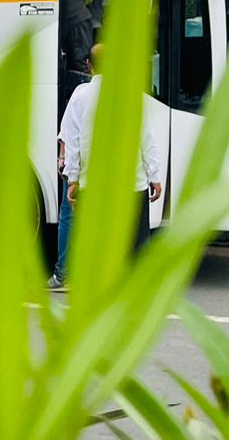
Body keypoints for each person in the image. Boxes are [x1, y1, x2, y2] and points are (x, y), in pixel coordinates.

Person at [52, 44, 165, 288]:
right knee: (133, 244)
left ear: (88, 66)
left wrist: (72, 179)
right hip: (132, 183)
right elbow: (147, 139)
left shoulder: (81, 96)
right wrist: (154, 176)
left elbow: (71, 142)